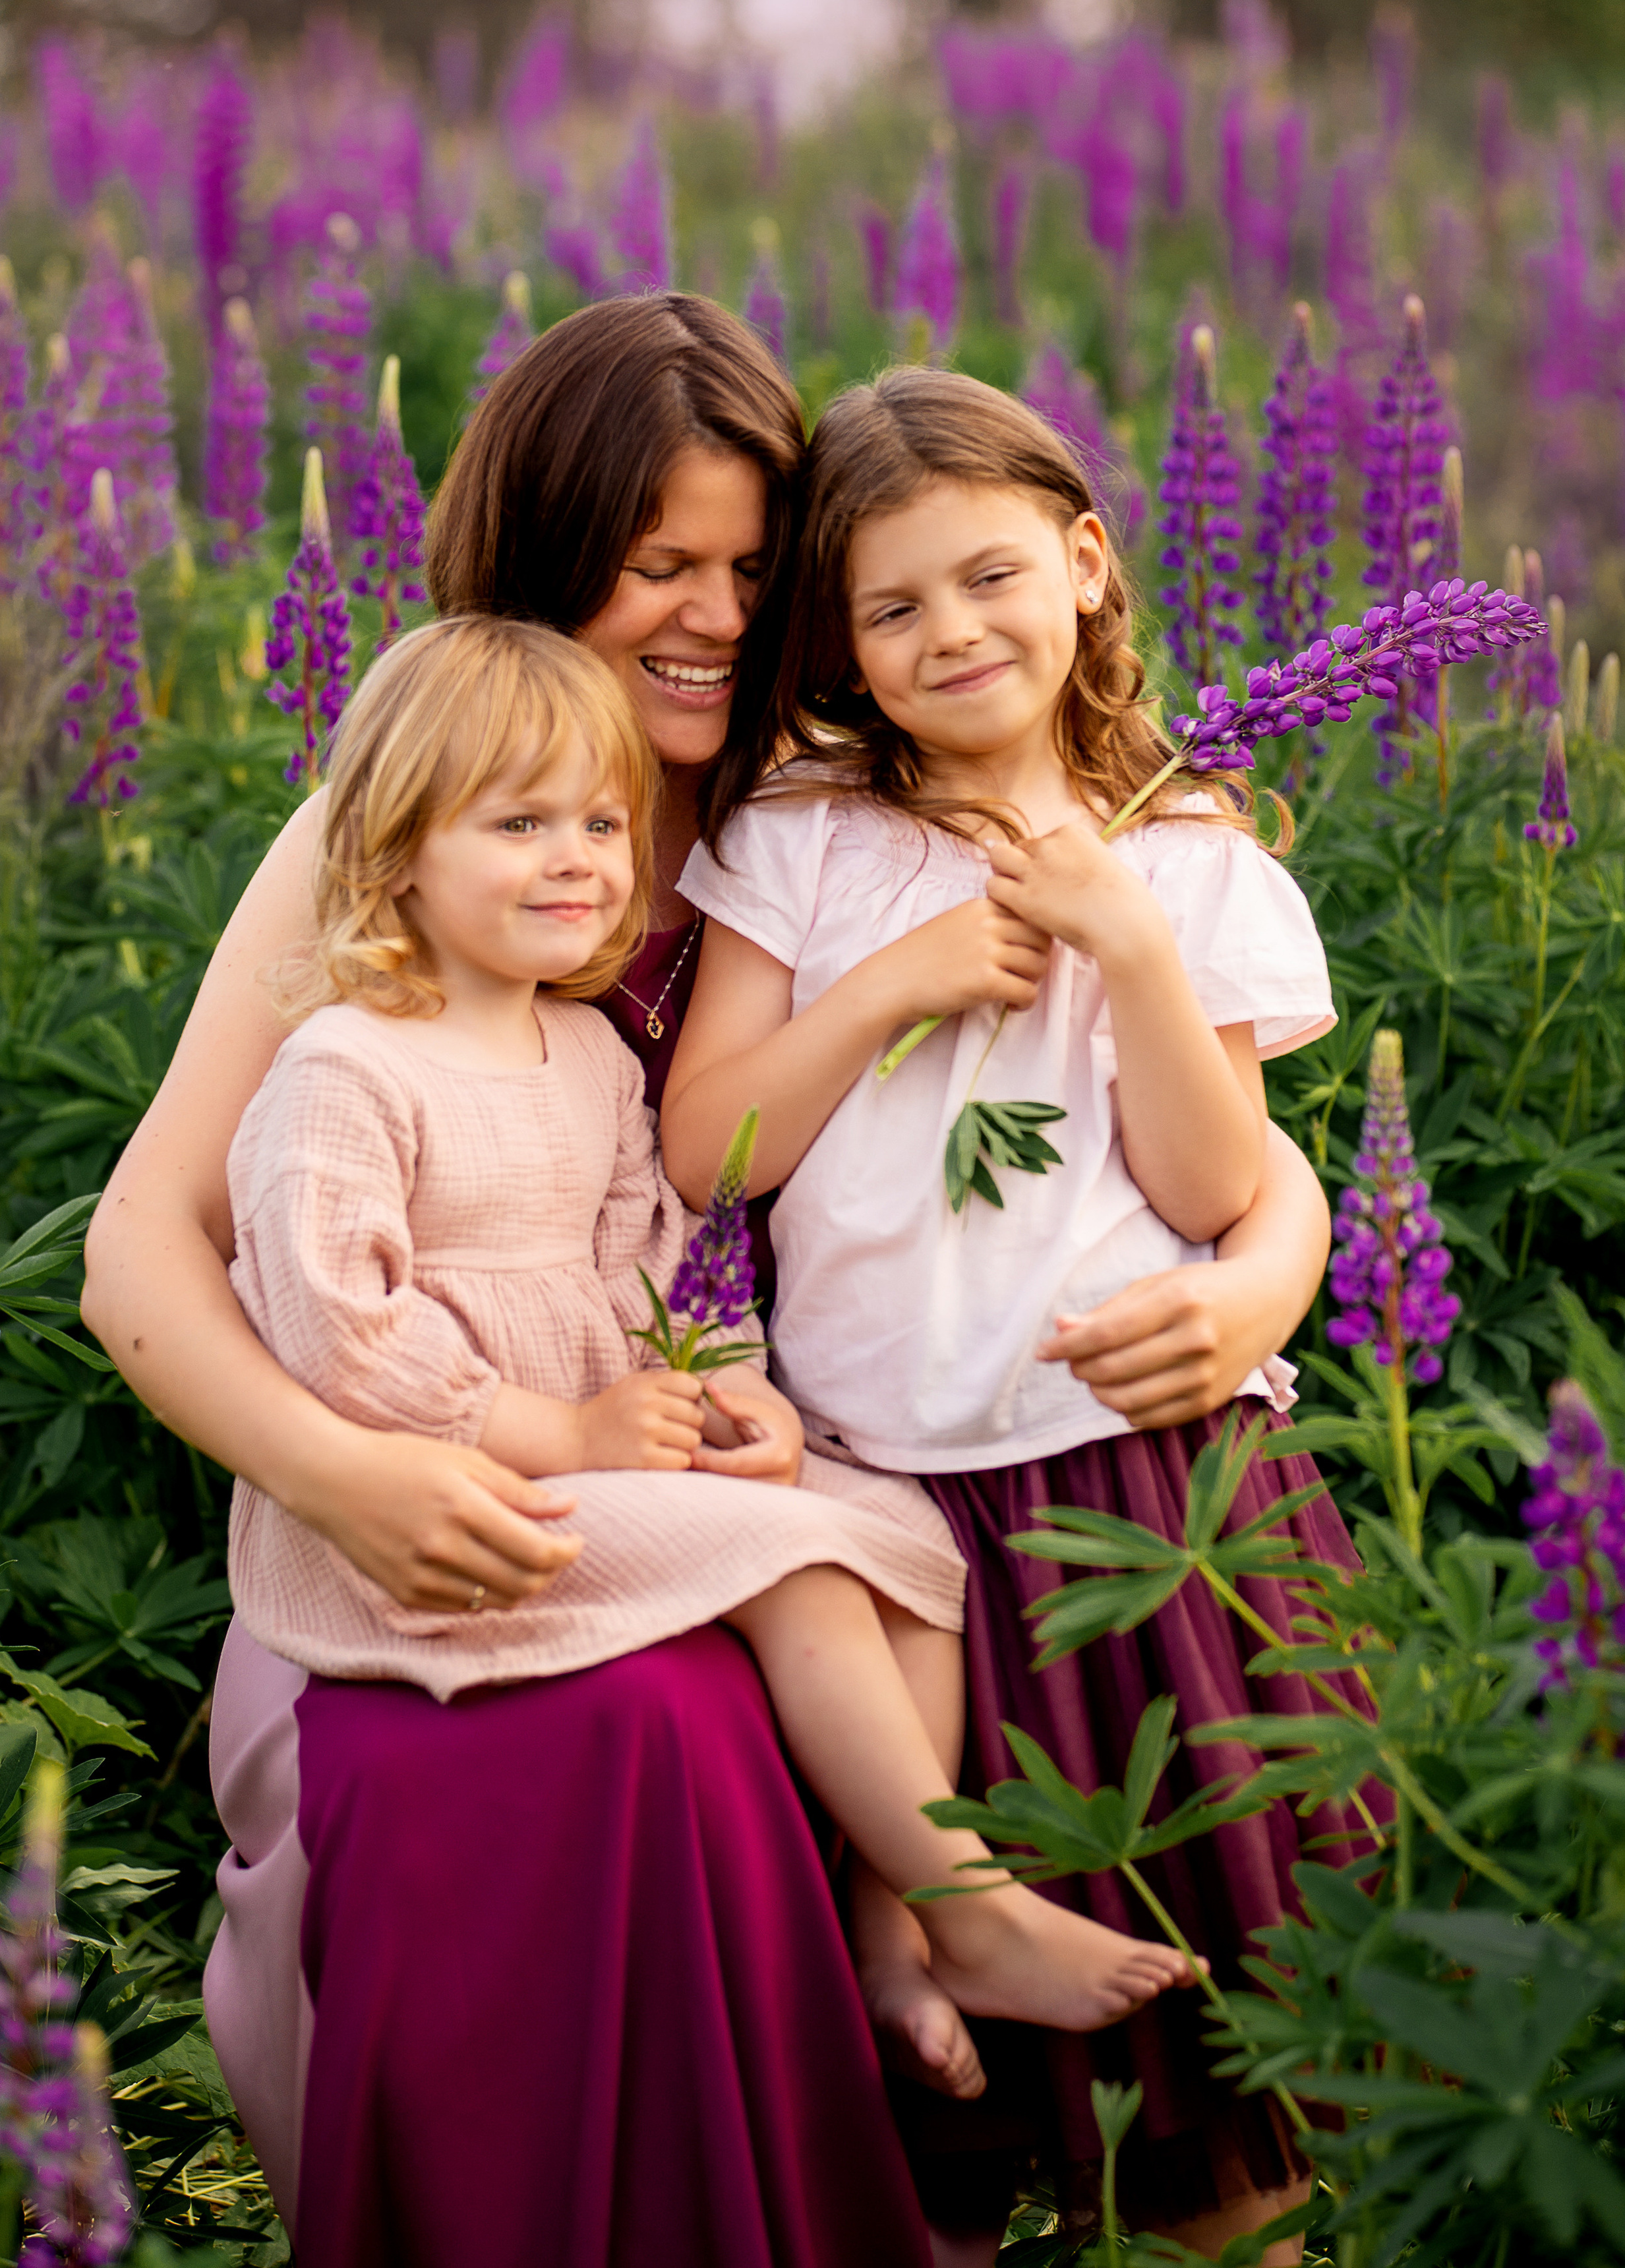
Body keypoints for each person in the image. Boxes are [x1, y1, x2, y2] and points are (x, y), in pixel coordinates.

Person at [80, 295, 1333, 2268]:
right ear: (549, 558)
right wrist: (348, 1475)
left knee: (795, 1671)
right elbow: (140, 1252)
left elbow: (1183, 1135)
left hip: (756, 1452)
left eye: (761, 571)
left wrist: (1272, 1271)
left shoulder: (840, 812)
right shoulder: (415, 832)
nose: (717, 616)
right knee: (634, 1740)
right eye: (662, 566)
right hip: (429, 1487)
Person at [231, 607, 1206, 2046]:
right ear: (394, 857)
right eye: (517, 824)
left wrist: (728, 1387)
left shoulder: (579, 1050)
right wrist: (555, 1429)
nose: (574, 859)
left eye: (601, 825)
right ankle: (971, 1910)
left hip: (601, 1449)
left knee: (899, 1547)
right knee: (808, 1571)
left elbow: (659, 1260)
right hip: (442, 1500)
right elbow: (335, 1328)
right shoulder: (343, 1064)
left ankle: (889, 1923)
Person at [663, 366, 1376, 2268]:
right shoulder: (806, 839)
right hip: (901, 1529)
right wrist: (888, 982)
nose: (950, 632)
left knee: (1222, 2078)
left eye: (987, 578)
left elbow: (1222, 1189)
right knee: (936, 2110)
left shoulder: (1194, 855)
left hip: (1151, 1497)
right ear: (842, 643)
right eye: (891, 609)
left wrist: (1132, 941)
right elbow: (712, 1142)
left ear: (1082, 560)